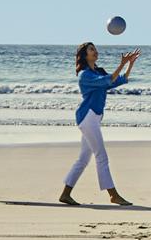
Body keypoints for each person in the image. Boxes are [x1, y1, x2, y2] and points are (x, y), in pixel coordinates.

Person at [60, 42, 139, 206]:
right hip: (87, 117)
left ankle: (65, 194)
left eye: (95, 49)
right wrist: (122, 64)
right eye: (91, 49)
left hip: (94, 117)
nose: (95, 51)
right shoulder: (85, 75)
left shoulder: (97, 72)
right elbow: (107, 80)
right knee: (101, 156)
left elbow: (118, 80)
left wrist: (129, 64)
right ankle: (113, 195)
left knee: (83, 159)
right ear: (84, 55)